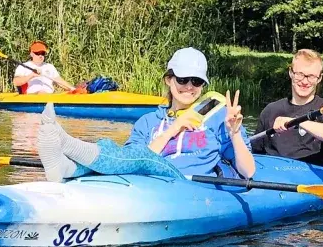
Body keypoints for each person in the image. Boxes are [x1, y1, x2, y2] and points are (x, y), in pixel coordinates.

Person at [34, 47, 255, 183]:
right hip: (146, 184)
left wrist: (234, 133)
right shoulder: (148, 121)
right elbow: (127, 161)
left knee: (142, 158)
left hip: (184, 185)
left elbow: (248, 171)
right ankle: (68, 168)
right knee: (125, 155)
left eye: (196, 81)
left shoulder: (220, 118)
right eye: (182, 79)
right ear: (169, 80)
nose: (189, 86)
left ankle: (68, 145)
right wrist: (173, 128)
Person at [251, 49, 323, 164]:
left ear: (319, 78)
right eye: (300, 74)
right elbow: (255, 154)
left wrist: (296, 122)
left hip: (313, 171)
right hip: (273, 171)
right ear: (291, 73)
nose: (305, 81)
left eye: (311, 76)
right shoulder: (270, 111)